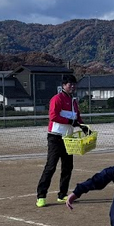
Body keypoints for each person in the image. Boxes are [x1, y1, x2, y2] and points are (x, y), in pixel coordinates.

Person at [35, 74, 87, 207]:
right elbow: (53, 116)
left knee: (67, 167)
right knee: (51, 167)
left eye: (74, 84)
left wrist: (84, 127)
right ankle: (41, 196)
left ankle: (62, 194)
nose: (72, 86)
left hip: (68, 138)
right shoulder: (57, 99)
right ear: (63, 86)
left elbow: (77, 118)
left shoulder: (74, 101)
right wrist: (70, 121)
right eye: (70, 84)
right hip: (55, 137)